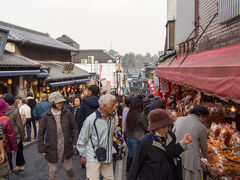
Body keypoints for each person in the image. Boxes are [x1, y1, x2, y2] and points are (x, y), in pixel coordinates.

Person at [128, 109, 193, 180]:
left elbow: (172, 153)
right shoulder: (144, 142)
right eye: (163, 127)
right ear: (155, 127)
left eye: (167, 126)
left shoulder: (171, 136)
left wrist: (183, 143)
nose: (166, 129)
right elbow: (135, 166)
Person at [37, 91, 78, 180]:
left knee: (69, 169)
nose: (61, 104)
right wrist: (41, 148)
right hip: (51, 147)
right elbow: (40, 133)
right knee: (53, 171)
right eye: (58, 102)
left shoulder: (67, 113)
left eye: (61, 102)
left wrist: (75, 140)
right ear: (52, 103)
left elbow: (74, 128)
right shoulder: (46, 116)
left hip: (66, 145)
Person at [77, 94, 116, 180]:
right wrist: (83, 155)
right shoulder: (91, 119)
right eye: (112, 105)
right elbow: (82, 138)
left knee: (109, 178)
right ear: (104, 106)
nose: (114, 108)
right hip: (93, 156)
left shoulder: (112, 118)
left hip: (107, 155)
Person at [172, 104, 209, 180]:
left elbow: (172, 135)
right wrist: (205, 159)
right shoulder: (202, 127)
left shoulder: (179, 119)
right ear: (201, 115)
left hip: (176, 155)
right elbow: (204, 147)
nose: (204, 120)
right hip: (191, 159)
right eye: (204, 118)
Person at [125, 95, 148, 172]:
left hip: (129, 137)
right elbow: (146, 127)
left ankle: (130, 172)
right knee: (137, 160)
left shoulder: (130, 113)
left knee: (132, 157)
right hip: (137, 138)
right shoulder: (140, 115)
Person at [4, 94, 26, 172]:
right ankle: (18, 165)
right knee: (19, 148)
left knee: (7, 150)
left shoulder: (2, 111)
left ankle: (9, 167)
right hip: (15, 133)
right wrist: (23, 134)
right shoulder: (15, 111)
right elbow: (19, 124)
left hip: (5, 134)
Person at [0, 99, 18, 174]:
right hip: (5, 145)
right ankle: (9, 169)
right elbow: (11, 135)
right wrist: (14, 147)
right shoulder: (6, 119)